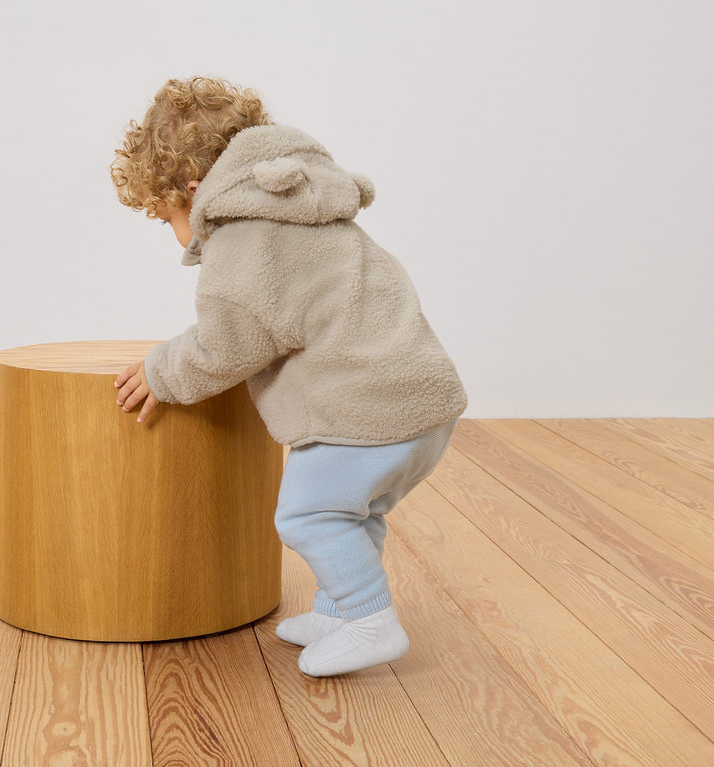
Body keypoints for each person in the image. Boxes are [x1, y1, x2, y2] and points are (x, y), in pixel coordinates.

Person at [111, 76, 467, 676]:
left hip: (365, 411)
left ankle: (369, 619)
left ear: (194, 191)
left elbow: (230, 342)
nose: (179, 240)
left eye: (171, 218)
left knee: (307, 515)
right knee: (353, 513)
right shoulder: (302, 208)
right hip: (422, 405)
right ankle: (336, 610)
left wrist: (161, 369)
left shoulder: (247, 235)